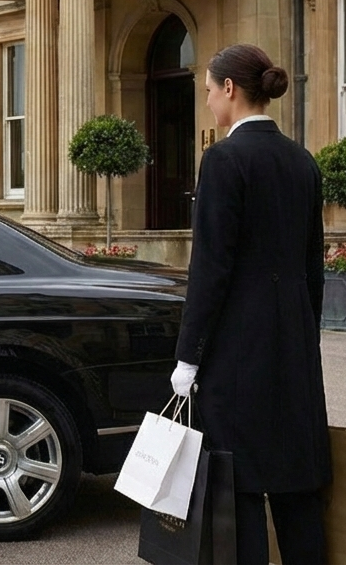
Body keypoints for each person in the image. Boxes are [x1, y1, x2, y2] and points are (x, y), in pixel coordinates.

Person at [171, 43, 330, 565]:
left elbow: (210, 269)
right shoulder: (301, 160)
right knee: (296, 485)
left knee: (237, 486)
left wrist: (188, 354)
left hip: (238, 351)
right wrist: (303, 331)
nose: (210, 101)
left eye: (210, 90)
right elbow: (313, 268)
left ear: (231, 90)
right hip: (294, 346)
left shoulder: (223, 159)